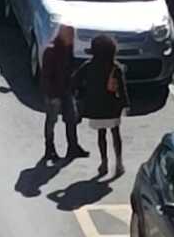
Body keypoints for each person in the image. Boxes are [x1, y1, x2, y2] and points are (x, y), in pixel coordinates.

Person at [72, 34, 128, 177]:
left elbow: (74, 81)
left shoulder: (88, 66)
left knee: (101, 134)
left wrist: (81, 93)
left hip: (96, 106)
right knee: (116, 134)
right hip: (112, 106)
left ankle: (104, 163)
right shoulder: (115, 68)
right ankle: (119, 163)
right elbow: (122, 89)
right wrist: (125, 104)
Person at [40, 25, 86, 162]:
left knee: (71, 118)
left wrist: (74, 87)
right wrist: (52, 95)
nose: (72, 38)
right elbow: (46, 77)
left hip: (66, 90)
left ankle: (73, 147)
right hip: (53, 92)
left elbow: (71, 69)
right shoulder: (51, 51)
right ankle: (49, 149)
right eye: (69, 35)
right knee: (51, 121)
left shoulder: (68, 49)